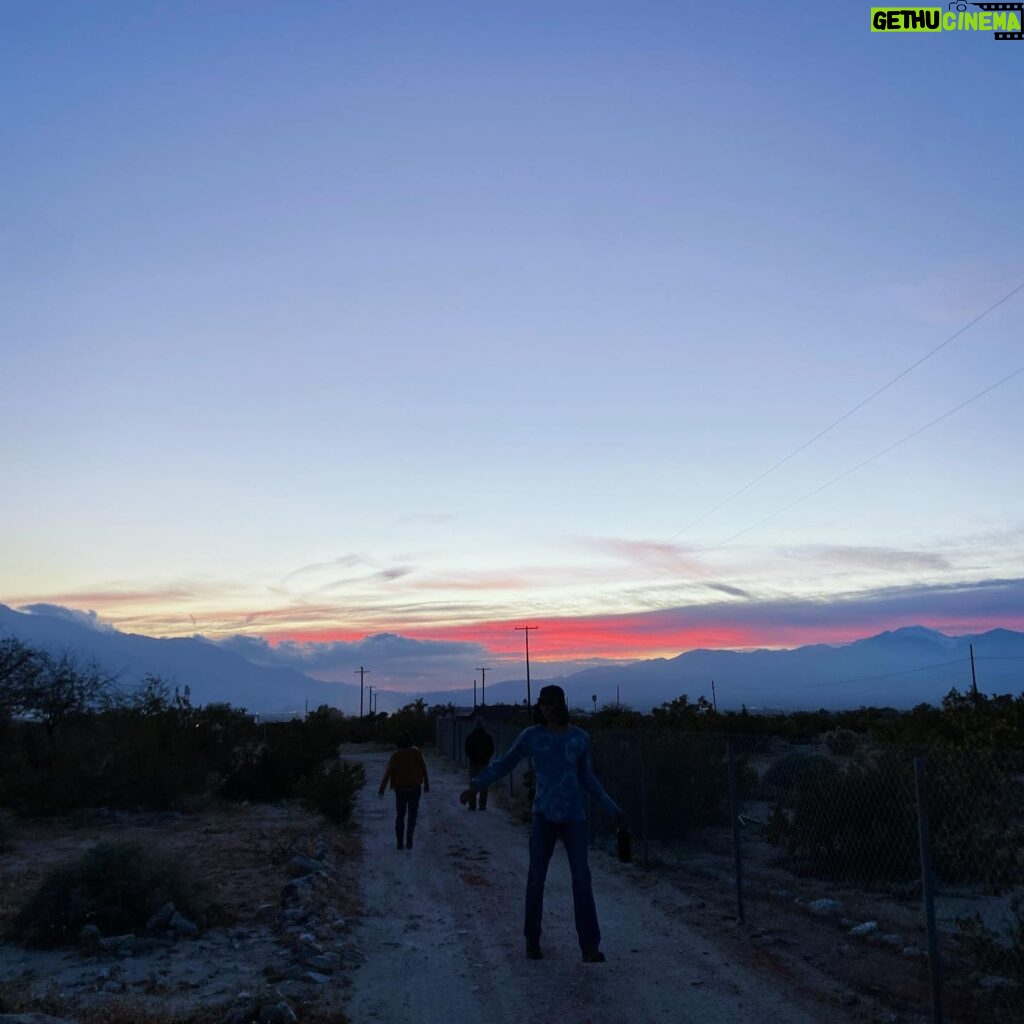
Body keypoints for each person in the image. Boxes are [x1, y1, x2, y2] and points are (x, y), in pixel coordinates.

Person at [460, 684, 625, 963]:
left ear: (561, 704)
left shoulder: (579, 739)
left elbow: (588, 780)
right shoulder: (532, 736)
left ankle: (589, 946)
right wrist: (476, 785)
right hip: (544, 817)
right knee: (536, 879)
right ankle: (532, 940)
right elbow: (505, 763)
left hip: (574, 819)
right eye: (543, 702)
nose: (546, 707)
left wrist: (613, 809)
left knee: (582, 880)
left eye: (551, 702)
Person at [378, 731, 430, 850]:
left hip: (400, 789)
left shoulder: (396, 755)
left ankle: (400, 843)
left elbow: (389, 771)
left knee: (400, 816)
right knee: (412, 816)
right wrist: (426, 784)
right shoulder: (417, 752)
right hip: (415, 788)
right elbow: (424, 768)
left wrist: (382, 789)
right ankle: (409, 840)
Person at [463, 717, 495, 811]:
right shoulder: (487, 737)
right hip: (484, 764)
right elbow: (491, 749)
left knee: (473, 784)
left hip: (473, 764)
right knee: (484, 784)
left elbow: (467, 750)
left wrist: (472, 757)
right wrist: (486, 758)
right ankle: (482, 805)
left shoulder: (470, 737)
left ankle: (472, 805)